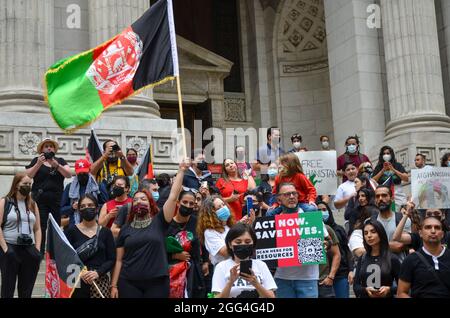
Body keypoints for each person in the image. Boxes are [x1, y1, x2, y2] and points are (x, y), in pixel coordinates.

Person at [110, 158, 190, 298]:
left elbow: (172, 196)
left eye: (143, 199)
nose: (138, 201)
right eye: (135, 200)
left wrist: (181, 170)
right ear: (132, 206)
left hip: (157, 282)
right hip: (129, 282)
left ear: (150, 204)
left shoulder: (160, 221)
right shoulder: (125, 229)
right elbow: (119, 260)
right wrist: (114, 285)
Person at [267, 183, 330, 298]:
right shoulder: (273, 221)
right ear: (279, 199)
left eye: (294, 193)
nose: (291, 196)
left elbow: (327, 240)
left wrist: (325, 244)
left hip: (307, 278)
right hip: (282, 278)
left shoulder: (309, 217)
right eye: (286, 194)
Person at [25, 138, 71, 255]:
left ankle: (54, 253)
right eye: (46, 146)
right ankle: (39, 252)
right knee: (41, 225)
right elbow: (29, 175)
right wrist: (39, 163)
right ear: (41, 149)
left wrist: (57, 166)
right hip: (40, 199)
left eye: (51, 146)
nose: (49, 148)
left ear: (55, 149)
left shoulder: (60, 160)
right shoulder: (36, 160)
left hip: (56, 199)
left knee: (56, 225)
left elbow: (69, 174)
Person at [65, 194, 115, 298]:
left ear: (97, 209)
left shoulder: (105, 232)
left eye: (90, 205)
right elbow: (65, 256)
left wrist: (98, 272)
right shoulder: (70, 231)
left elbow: (111, 259)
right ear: (79, 210)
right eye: (83, 206)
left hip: (99, 280)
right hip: (75, 279)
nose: (87, 208)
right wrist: (79, 272)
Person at [0, 173, 41, 298]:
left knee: (26, 290)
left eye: (29, 184)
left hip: (29, 249)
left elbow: (38, 229)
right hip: (10, 247)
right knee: (8, 288)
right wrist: (6, 249)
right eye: (25, 184)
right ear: (16, 185)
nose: (28, 186)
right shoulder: (5, 202)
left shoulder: (32, 204)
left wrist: (37, 250)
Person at [211, 223, 276, 298]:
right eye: (238, 242)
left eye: (247, 242)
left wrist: (256, 284)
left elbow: (271, 297)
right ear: (230, 244)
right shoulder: (221, 267)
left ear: (253, 243)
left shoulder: (261, 265)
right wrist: (230, 282)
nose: (243, 244)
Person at [397, 216, 450, 298]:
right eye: (428, 227)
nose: (433, 231)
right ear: (420, 233)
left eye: (437, 228)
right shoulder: (410, 260)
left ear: (442, 234)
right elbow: (401, 293)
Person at [166, 189, 205, 298]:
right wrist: (174, 255)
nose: (188, 206)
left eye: (191, 203)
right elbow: (158, 249)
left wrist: (205, 262)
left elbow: (203, 242)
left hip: (193, 272)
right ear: (178, 203)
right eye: (185, 202)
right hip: (171, 273)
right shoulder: (167, 224)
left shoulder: (197, 222)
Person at [353, 219, 400, 298]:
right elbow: (356, 287)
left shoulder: (392, 258)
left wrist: (389, 289)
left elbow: (403, 286)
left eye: (373, 232)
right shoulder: (363, 258)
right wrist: (365, 290)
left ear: (380, 233)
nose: (369, 236)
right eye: (365, 233)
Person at [318, 201, 353, 298]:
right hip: (322, 276)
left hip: (340, 273)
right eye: (318, 210)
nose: (321, 212)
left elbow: (346, 250)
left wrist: (351, 270)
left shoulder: (338, 229)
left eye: (324, 210)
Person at [60, 158, 108, 229]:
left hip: (94, 224)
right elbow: (61, 210)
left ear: (89, 171)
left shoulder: (98, 186)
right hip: (75, 226)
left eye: (84, 173)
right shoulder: (69, 187)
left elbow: (106, 206)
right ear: (76, 173)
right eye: (80, 173)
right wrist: (72, 207)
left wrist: (92, 206)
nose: (82, 175)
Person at [374, 185, 410, 259]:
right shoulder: (370, 221)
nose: (380, 199)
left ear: (392, 198)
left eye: (384, 195)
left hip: (400, 266)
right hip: (378, 266)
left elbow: (399, 246)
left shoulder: (403, 219)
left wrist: (375, 245)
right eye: (377, 196)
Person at [372, 146, 409, 210]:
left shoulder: (397, 165)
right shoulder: (379, 167)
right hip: (384, 194)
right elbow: (373, 181)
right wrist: (383, 170)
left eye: (388, 153)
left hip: (397, 193)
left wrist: (393, 169)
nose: (386, 155)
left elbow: (406, 178)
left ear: (391, 154)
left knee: (400, 212)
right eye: (384, 154)